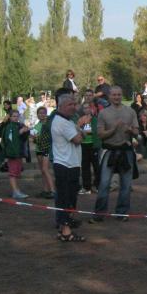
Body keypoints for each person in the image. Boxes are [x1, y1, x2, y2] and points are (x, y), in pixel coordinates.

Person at [88, 86, 139, 223]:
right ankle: (99, 213)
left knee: (126, 184)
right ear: (109, 96)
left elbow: (136, 132)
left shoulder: (130, 111)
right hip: (109, 150)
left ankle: (122, 212)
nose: (116, 97)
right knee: (104, 183)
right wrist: (114, 128)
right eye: (114, 95)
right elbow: (100, 135)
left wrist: (129, 129)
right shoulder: (103, 113)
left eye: (119, 94)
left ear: (122, 95)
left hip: (126, 151)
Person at [51, 93, 87, 242]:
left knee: (69, 197)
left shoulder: (67, 121)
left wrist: (79, 130)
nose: (73, 107)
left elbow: (81, 135)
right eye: (70, 105)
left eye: (74, 104)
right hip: (65, 165)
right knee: (65, 198)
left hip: (70, 164)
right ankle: (66, 231)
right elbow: (78, 139)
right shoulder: (62, 122)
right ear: (60, 106)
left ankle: (63, 228)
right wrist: (80, 127)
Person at [0, 109, 30, 199]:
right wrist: (20, 132)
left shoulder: (18, 125)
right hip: (13, 153)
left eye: (17, 116)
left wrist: (26, 131)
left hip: (18, 153)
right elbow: (9, 140)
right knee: (13, 173)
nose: (16, 118)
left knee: (16, 172)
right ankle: (15, 191)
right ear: (10, 117)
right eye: (14, 116)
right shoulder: (10, 127)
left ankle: (15, 190)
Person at [30, 106, 56, 199]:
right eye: (39, 113)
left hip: (46, 149)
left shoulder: (49, 124)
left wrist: (36, 138)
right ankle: (46, 190)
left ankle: (53, 190)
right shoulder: (37, 125)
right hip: (38, 150)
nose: (41, 115)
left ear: (46, 114)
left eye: (43, 113)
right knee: (42, 171)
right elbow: (33, 138)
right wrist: (33, 138)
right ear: (37, 115)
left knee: (45, 169)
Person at [78, 102, 101, 195]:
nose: (86, 109)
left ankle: (97, 185)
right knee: (85, 166)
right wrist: (82, 129)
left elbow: (97, 131)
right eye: (84, 108)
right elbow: (77, 129)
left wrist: (85, 130)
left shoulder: (95, 119)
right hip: (84, 144)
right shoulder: (81, 119)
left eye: (88, 107)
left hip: (93, 145)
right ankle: (86, 187)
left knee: (96, 166)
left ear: (91, 109)